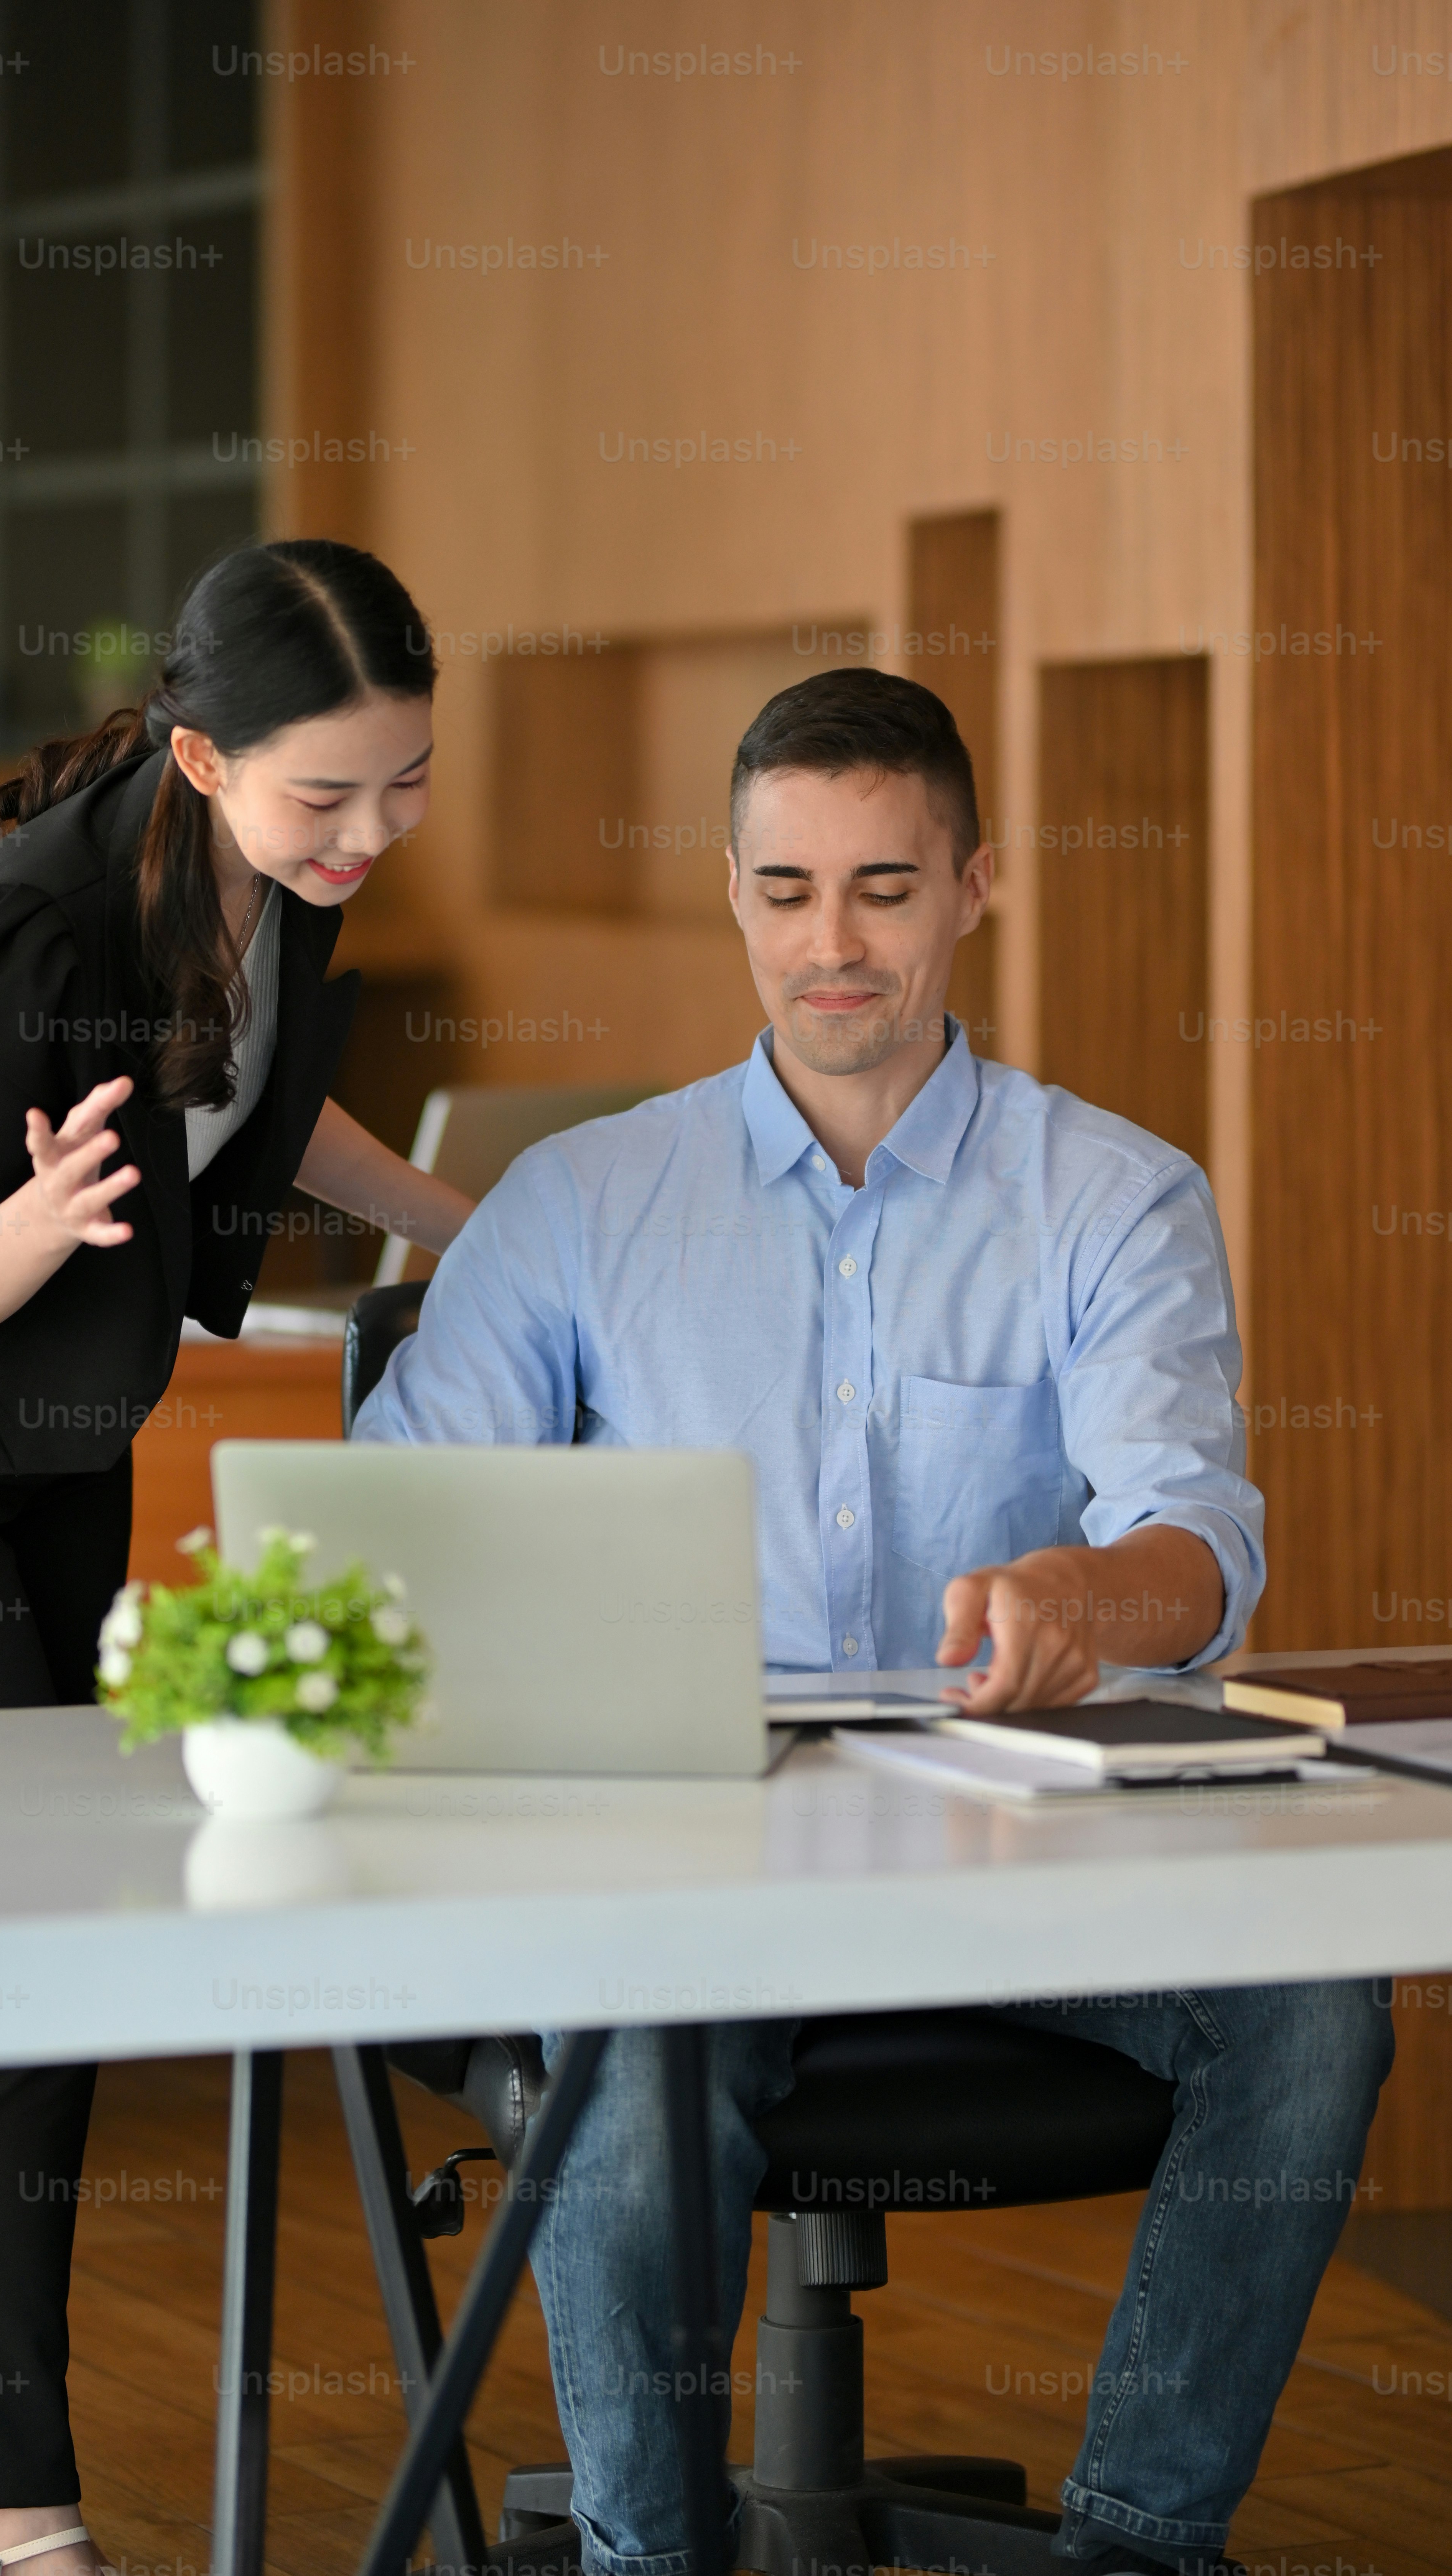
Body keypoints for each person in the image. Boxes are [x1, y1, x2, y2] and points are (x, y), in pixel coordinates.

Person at [354, 668, 1395, 2576]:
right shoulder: (578, 1208)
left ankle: (1140, 2545)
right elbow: (392, 1543)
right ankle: (646, 2560)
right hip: (690, 1866)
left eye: (885, 889)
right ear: (733, 892)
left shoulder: (1110, 1195)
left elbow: (1200, 1540)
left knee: (1314, 2003)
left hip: (1014, 1861)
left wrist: (1091, 1593)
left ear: (976, 886)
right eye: (785, 890)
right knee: (634, 2039)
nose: (830, 945)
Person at [0, 538, 472, 2576]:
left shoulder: (281, 876)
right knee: (28, 1949)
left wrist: (461, 1213)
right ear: (197, 749)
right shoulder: (28, 926)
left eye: (404, 783)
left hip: (54, 1440)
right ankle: (12, 2499)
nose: (367, 835)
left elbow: (268, 1101)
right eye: (324, 798)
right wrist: (46, 1225)